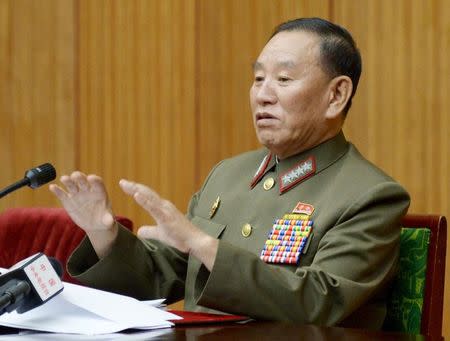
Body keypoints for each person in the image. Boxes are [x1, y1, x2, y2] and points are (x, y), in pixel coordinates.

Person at [49, 17, 410, 329]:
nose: (262, 95)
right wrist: (104, 234)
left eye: (283, 79)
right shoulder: (229, 175)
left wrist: (204, 244)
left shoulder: (369, 194)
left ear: (336, 96)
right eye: (257, 78)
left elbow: (319, 303)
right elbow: (162, 278)